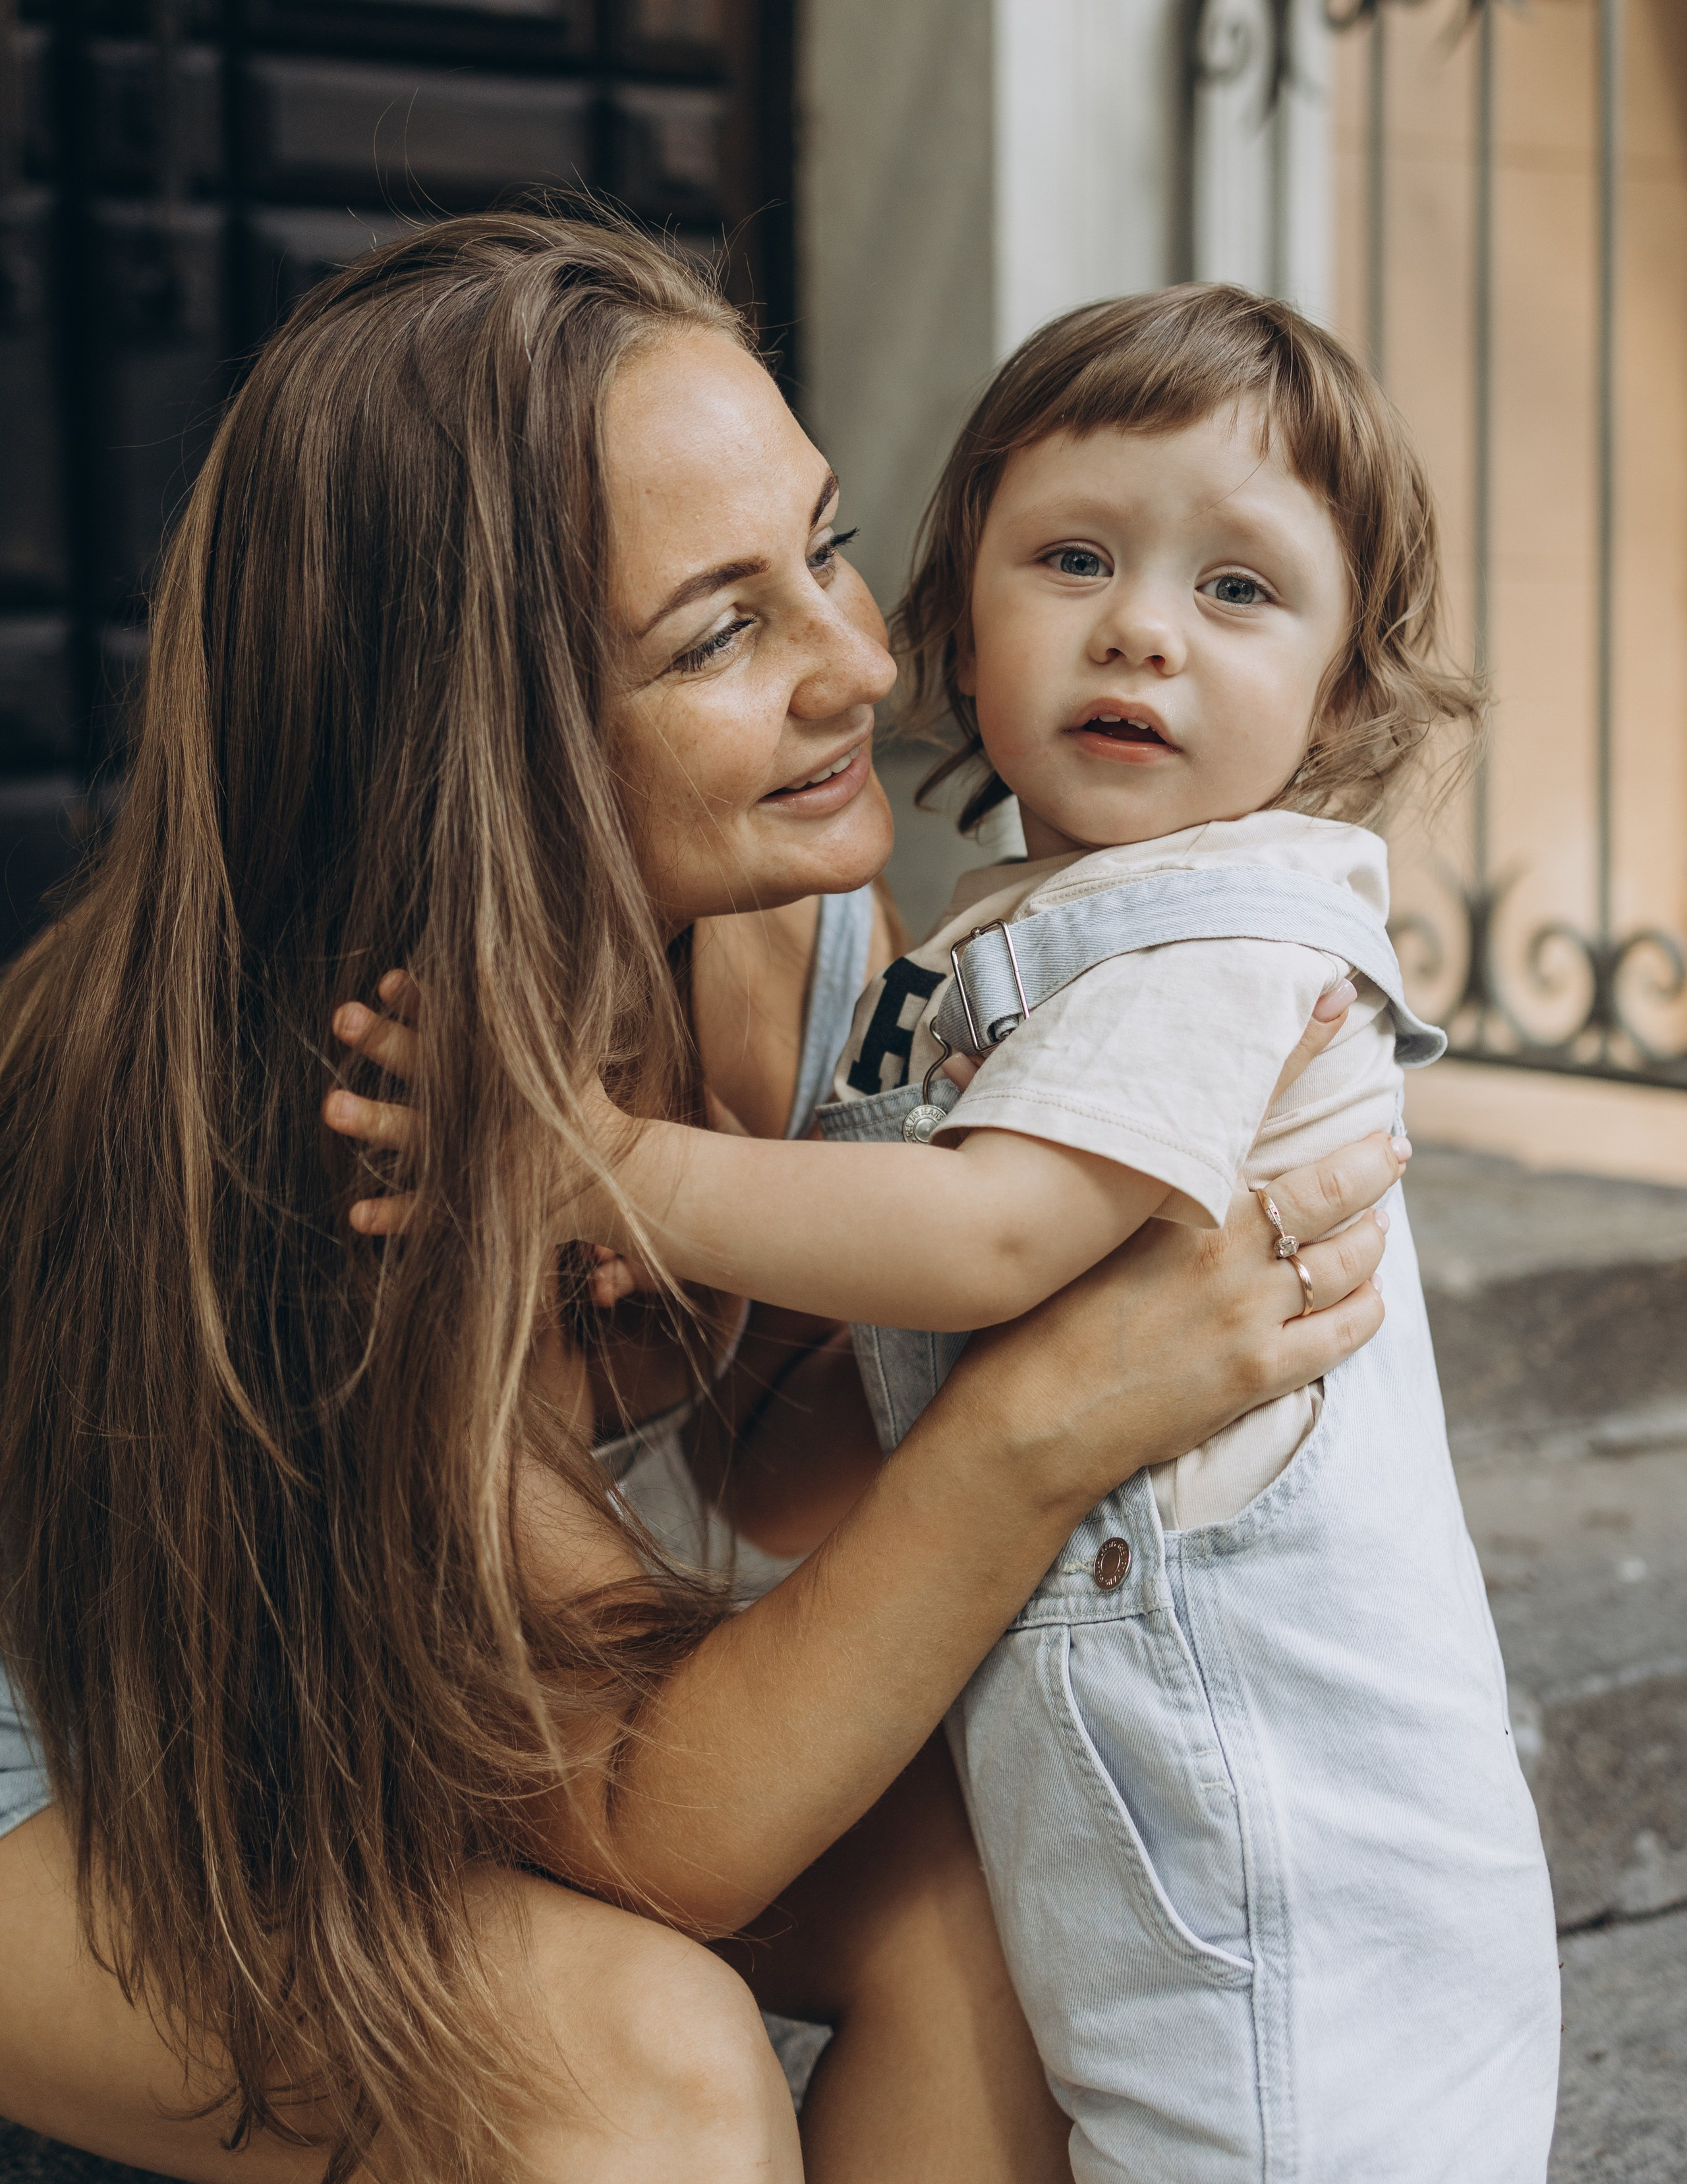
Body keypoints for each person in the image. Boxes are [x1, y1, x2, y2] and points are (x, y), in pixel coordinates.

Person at [0, 213, 1401, 2184]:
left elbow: (796, 1454)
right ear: (476, 736)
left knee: (997, 1890)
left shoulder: (798, 927)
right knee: (641, 2069)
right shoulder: (349, 1110)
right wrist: (1043, 1418)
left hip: (422, 1706)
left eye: (828, 546)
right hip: (93, 1764)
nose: (865, 662)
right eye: (719, 634)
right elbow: (670, 1829)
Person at [567, 285, 1562, 2181]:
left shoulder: (1220, 939)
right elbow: (856, 1380)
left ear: (1345, 695)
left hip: (1288, 1882)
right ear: (959, 621)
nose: (1141, 630)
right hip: (1151, 1830)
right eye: (1077, 558)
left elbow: (985, 1240)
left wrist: (608, 1168)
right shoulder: (992, 947)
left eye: (1239, 590)